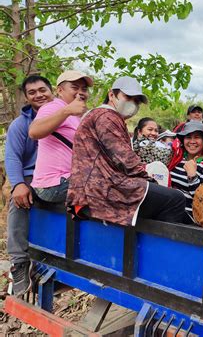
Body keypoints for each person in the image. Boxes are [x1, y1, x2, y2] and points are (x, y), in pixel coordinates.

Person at [66, 76, 187, 226]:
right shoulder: (106, 116)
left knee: (161, 197)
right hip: (102, 190)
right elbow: (125, 159)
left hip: (94, 189)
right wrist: (151, 180)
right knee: (175, 199)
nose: (132, 103)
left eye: (136, 101)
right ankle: (163, 247)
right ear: (111, 95)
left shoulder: (102, 115)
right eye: (128, 97)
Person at [5, 75, 53, 295]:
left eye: (42, 90)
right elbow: (12, 157)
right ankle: (19, 262)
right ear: (26, 97)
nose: (38, 95)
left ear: (51, 90)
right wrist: (17, 185)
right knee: (18, 203)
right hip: (32, 176)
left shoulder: (64, 116)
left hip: (62, 176)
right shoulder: (20, 125)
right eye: (32, 92)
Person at [29, 70, 93, 203]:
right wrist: (67, 110)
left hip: (70, 178)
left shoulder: (78, 116)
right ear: (59, 90)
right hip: (53, 184)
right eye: (75, 88)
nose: (80, 92)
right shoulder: (53, 107)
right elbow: (34, 132)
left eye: (84, 89)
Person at [170, 121, 203, 223]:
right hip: (168, 207)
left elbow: (202, 200)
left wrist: (192, 175)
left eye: (197, 137)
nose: (192, 141)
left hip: (189, 216)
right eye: (188, 137)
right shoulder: (177, 158)